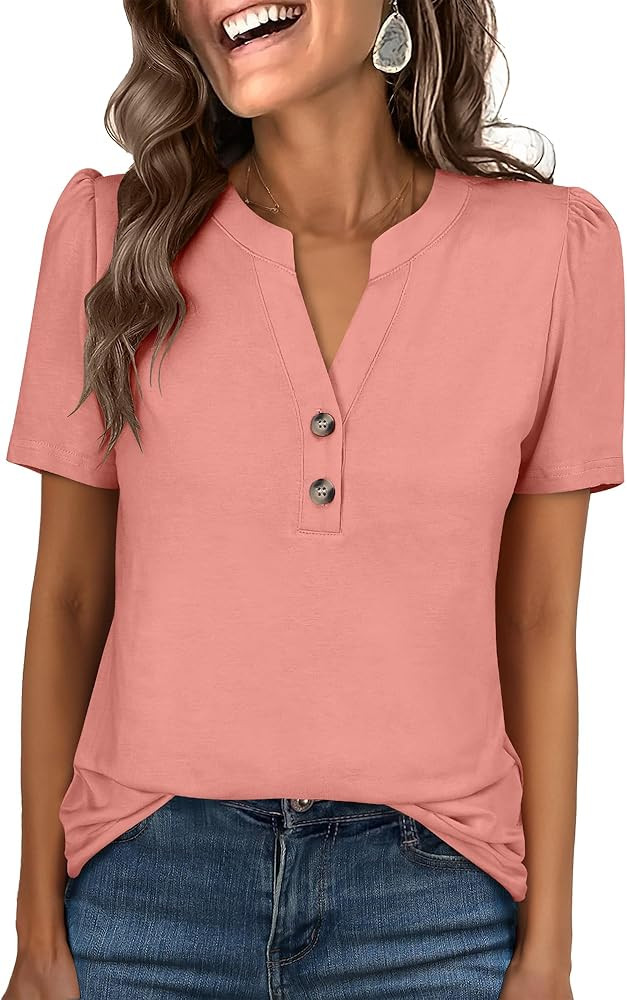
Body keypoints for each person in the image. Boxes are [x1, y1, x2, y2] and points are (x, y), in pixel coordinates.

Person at [3, 1, 624, 998]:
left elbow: (541, 619)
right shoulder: (110, 235)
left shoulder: (552, 251)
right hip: (145, 899)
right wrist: (37, 931)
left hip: (435, 915)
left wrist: (548, 952)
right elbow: (70, 600)